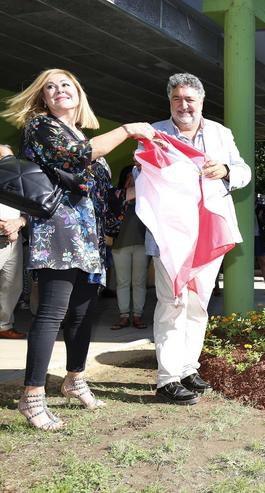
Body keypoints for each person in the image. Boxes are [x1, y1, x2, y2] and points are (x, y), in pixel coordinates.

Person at [1, 68, 155, 430]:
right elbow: (76, 157)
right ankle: (32, 397)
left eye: (65, 85)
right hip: (57, 234)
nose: (58, 91)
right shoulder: (41, 128)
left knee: (83, 314)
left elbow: (103, 199)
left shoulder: (81, 135)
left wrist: (132, 191)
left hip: (89, 240)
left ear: (78, 94)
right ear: (42, 98)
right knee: (52, 313)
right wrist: (128, 129)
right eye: (50, 88)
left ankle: (74, 379)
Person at [145, 73, 251, 405]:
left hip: (209, 232)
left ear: (201, 102)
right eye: (177, 99)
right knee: (172, 302)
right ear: (170, 102)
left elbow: (244, 170)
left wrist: (227, 171)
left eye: (189, 99)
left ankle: (188, 368)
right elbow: (140, 173)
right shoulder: (155, 132)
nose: (183, 105)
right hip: (170, 234)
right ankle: (167, 379)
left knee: (197, 304)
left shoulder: (220, 133)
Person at [105, 165, 149, 330]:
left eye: (136, 176)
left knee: (139, 282)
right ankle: (124, 316)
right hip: (119, 245)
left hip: (142, 244)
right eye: (130, 176)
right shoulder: (114, 195)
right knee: (122, 282)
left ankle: (137, 315)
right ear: (124, 177)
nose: (133, 179)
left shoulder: (145, 195)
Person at [0, 144, 27, 340]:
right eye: (4, 158)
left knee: (12, 285)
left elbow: (30, 208)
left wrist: (18, 223)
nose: (9, 163)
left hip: (14, 238)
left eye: (11, 158)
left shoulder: (19, 181)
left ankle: (3, 325)